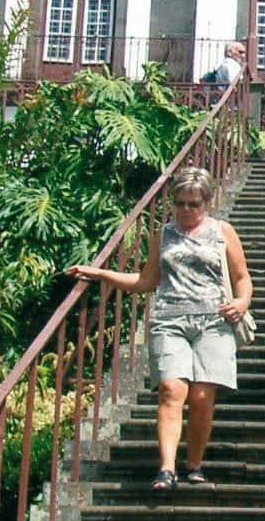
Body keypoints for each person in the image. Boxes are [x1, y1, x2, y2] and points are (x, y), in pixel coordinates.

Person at [66, 167, 252, 489]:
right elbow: (146, 281)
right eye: (180, 203)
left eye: (193, 204)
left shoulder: (223, 231)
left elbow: (241, 276)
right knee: (171, 389)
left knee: (203, 395)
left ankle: (194, 463)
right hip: (169, 319)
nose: (186, 211)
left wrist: (243, 301)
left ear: (207, 202)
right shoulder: (164, 235)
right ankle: (166, 469)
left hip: (215, 320)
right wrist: (100, 275)